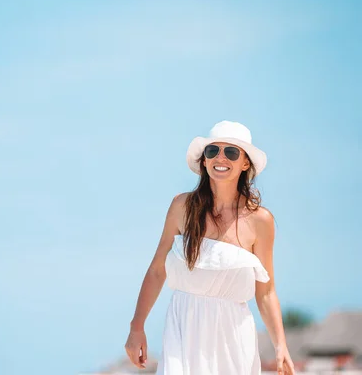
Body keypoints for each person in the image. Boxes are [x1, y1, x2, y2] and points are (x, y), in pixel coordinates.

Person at [124, 120, 296, 375]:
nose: (220, 157)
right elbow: (157, 270)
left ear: (245, 163)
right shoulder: (182, 206)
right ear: (204, 160)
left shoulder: (260, 220)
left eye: (231, 152)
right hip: (183, 327)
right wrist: (137, 327)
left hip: (232, 336)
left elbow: (266, 292)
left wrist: (281, 346)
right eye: (212, 150)